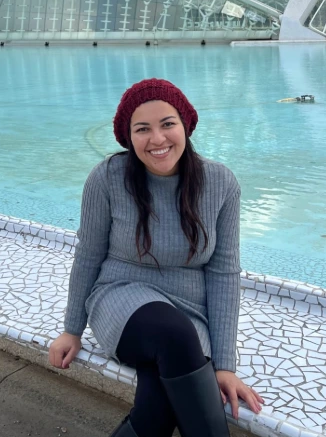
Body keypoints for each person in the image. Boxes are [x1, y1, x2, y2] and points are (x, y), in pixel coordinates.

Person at [49, 78, 265, 436]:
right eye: (142, 129)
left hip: (189, 314)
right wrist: (72, 330)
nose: (158, 139)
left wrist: (225, 365)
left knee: (160, 404)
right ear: (128, 136)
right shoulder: (107, 178)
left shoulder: (221, 183)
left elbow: (224, 272)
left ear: (185, 125)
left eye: (167, 124)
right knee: (174, 335)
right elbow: (88, 254)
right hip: (121, 297)